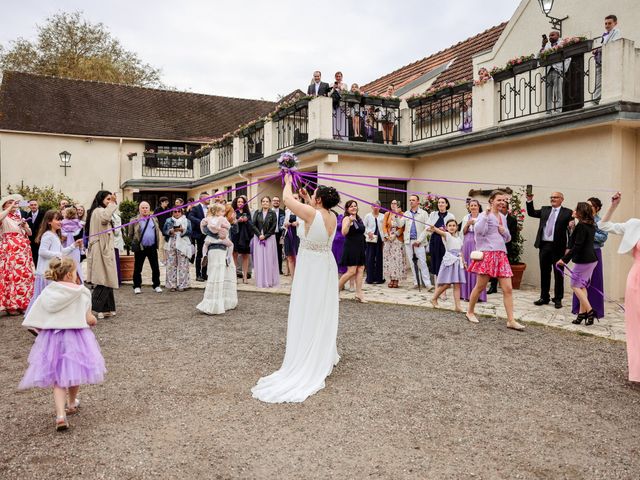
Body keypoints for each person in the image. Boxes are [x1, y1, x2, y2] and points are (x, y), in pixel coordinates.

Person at [252, 176, 341, 403]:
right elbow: (310, 212)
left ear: (318, 199)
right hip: (325, 264)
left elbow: (285, 199)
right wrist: (306, 198)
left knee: (307, 306)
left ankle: (306, 353)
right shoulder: (332, 215)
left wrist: (288, 180)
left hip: (311, 265)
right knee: (320, 307)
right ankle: (320, 347)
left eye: (313, 196)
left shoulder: (311, 213)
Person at [19, 257, 106, 431]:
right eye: (75, 272)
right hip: (77, 338)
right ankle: (72, 403)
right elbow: (89, 318)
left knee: (58, 379)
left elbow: (35, 318)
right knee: (74, 370)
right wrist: (93, 320)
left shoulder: (48, 291)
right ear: (68, 275)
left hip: (53, 338)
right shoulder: (82, 292)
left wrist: (44, 331)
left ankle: (60, 415)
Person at [466, 190, 525, 331]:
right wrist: (486, 215)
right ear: (491, 201)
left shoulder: (503, 217)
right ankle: (470, 312)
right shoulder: (483, 215)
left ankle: (511, 320)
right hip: (488, 254)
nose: (502, 202)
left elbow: (509, 238)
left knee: (508, 289)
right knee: (480, 287)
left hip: (501, 255)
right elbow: (479, 231)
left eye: (504, 200)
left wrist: (503, 231)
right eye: (499, 200)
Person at [598, 192, 639, 382]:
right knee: (636, 325)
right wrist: (613, 206)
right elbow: (603, 226)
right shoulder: (634, 225)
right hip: (637, 280)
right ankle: (637, 372)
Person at [28, 210, 82, 315]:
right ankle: (36, 319)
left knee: (49, 299)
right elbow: (42, 252)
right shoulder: (47, 235)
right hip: (45, 273)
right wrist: (58, 255)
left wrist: (73, 245)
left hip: (51, 272)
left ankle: (44, 320)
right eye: (57, 219)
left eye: (61, 219)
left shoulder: (55, 235)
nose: (60, 222)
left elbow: (61, 251)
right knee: (43, 299)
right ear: (49, 222)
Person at [526, 190, 573, 308]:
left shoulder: (568, 212)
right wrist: (529, 200)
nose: (553, 199)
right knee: (544, 272)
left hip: (559, 247)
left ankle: (558, 299)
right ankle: (544, 297)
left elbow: (571, 232)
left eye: (556, 197)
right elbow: (531, 213)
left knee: (558, 273)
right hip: (544, 246)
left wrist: (569, 247)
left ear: (562, 199)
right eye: (551, 197)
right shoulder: (545, 210)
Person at [557, 202, 599, 325]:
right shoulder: (590, 225)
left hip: (584, 260)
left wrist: (564, 259)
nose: (573, 211)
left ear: (580, 212)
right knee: (581, 286)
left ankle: (590, 311)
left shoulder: (581, 226)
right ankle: (582, 314)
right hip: (592, 259)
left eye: (576, 209)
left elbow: (578, 246)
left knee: (575, 285)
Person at [197, 204, 238, 315]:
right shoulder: (222, 220)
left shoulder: (207, 220)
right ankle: (217, 303)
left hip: (211, 247)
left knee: (215, 272)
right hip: (220, 248)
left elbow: (204, 230)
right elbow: (227, 229)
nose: (223, 213)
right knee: (219, 272)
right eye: (222, 211)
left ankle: (204, 255)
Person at [571, 197, 607, 319]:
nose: (586, 207)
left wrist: (588, 233)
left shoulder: (600, 221)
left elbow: (603, 238)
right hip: (582, 253)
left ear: (596, 209)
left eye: (590, 205)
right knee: (580, 283)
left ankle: (594, 309)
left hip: (594, 252)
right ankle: (580, 310)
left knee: (595, 281)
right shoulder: (581, 221)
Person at [85, 190, 118, 319]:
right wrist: (113, 203)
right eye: (108, 199)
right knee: (103, 279)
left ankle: (108, 308)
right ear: (101, 199)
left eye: (111, 199)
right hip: (100, 249)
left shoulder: (99, 211)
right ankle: (92, 308)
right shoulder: (98, 211)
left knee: (107, 278)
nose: (110, 202)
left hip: (103, 248)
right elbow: (105, 218)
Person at [0, 194, 34, 316]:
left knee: (24, 276)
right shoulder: (4, 216)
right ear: (4, 205)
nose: (13, 204)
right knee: (11, 275)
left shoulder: (19, 216)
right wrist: (8, 208)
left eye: (14, 202)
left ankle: (23, 303)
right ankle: (11, 305)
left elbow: (29, 233)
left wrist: (25, 226)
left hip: (23, 249)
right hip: (10, 248)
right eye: (9, 202)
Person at [430, 220, 466, 312]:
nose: (452, 227)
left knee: (457, 285)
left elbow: (461, 251)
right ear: (446, 227)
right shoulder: (447, 235)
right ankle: (434, 298)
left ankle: (458, 306)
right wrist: (434, 228)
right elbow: (439, 231)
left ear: (457, 227)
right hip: (449, 261)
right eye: (449, 225)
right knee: (447, 284)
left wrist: (464, 261)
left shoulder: (459, 238)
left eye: (454, 225)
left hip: (457, 263)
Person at [398, 194, 432, 289]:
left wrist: (419, 240)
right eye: (410, 200)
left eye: (413, 200)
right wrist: (396, 216)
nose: (411, 202)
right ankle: (417, 282)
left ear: (417, 202)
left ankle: (428, 283)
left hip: (419, 242)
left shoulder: (424, 213)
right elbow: (400, 224)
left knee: (422, 262)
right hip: (409, 241)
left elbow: (427, 228)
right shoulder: (406, 213)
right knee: (413, 263)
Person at [128, 201, 162, 294]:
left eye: (146, 207)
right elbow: (130, 234)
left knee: (155, 267)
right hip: (140, 247)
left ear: (149, 209)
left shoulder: (154, 219)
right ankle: (137, 286)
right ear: (139, 209)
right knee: (138, 268)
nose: (145, 209)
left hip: (152, 247)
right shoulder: (134, 220)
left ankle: (156, 285)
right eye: (143, 207)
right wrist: (134, 244)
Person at [488, 199, 518, 295]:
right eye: (500, 207)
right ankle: (493, 286)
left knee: (502, 268)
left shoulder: (512, 220)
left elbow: (513, 235)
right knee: (493, 266)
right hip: (493, 247)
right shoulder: (492, 217)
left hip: (506, 246)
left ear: (507, 209)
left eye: (503, 207)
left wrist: (504, 233)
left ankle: (504, 286)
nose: (501, 209)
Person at [339, 200, 367, 302]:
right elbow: (344, 232)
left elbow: (361, 231)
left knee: (360, 269)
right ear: (347, 209)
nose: (354, 208)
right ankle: (335, 290)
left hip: (360, 246)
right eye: (351, 206)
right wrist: (349, 222)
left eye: (355, 206)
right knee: (351, 271)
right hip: (351, 247)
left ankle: (359, 294)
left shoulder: (359, 219)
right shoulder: (346, 218)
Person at [460, 199, 486, 302]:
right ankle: (466, 294)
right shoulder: (466, 217)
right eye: (471, 205)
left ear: (479, 207)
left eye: (475, 205)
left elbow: (484, 231)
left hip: (478, 244)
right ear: (469, 207)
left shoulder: (482, 217)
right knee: (468, 266)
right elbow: (463, 232)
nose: (473, 207)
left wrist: (476, 225)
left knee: (478, 268)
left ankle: (478, 295)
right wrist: (467, 224)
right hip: (467, 243)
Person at [251, 196, 279, 288]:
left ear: (269, 203)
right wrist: (259, 235)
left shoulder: (273, 213)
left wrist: (265, 236)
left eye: (267, 201)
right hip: (258, 238)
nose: (265, 203)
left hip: (269, 238)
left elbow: (273, 227)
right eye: (263, 201)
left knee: (269, 259)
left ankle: (269, 280)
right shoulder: (257, 212)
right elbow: (253, 225)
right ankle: (261, 281)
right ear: (261, 202)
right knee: (259, 259)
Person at [162, 208, 192, 292]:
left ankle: (183, 285)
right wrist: (170, 231)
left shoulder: (187, 221)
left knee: (183, 265)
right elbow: (164, 231)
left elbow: (190, 232)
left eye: (179, 211)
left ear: (182, 212)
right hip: (171, 243)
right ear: (172, 212)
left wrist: (183, 230)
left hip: (183, 244)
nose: (177, 213)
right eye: (175, 211)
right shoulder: (168, 220)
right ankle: (172, 285)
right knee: (171, 265)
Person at [540, 31, 570, 113]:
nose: (550, 37)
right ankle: (548, 111)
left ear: (558, 35)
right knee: (548, 93)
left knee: (558, 91)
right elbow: (539, 56)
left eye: (552, 35)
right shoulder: (547, 45)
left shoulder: (562, 42)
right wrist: (543, 45)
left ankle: (558, 110)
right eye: (549, 36)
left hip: (558, 70)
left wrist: (563, 70)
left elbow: (568, 57)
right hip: (548, 71)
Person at [428, 197, 455, 286]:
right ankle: (437, 286)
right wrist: (433, 229)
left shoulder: (450, 216)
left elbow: (453, 230)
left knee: (444, 263)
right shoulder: (433, 214)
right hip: (434, 241)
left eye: (443, 202)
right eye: (439, 202)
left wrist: (444, 230)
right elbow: (427, 228)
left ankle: (444, 286)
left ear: (446, 204)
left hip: (445, 243)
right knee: (435, 264)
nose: (440, 204)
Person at [595, 15, 622, 102]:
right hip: (599, 60)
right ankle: (596, 99)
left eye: (609, 23)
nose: (607, 25)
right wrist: (596, 50)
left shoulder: (616, 32)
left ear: (615, 23)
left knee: (607, 80)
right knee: (598, 81)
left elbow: (612, 43)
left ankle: (601, 99)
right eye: (606, 23)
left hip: (608, 60)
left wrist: (599, 49)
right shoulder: (604, 34)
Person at [382, 199, 406, 288]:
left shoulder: (402, 214)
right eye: (392, 203)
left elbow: (402, 227)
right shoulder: (387, 214)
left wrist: (395, 235)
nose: (393, 205)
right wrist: (386, 235)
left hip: (397, 239)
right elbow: (384, 226)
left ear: (399, 205)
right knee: (389, 260)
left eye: (395, 203)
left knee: (397, 260)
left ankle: (396, 280)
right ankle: (391, 279)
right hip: (389, 239)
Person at [188, 192, 210, 282]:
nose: (210, 199)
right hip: (199, 234)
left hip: (209, 234)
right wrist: (201, 222)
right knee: (200, 254)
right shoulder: (195, 208)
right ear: (202, 199)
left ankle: (204, 274)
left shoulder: (210, 208)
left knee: (207, 254)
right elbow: (190, 217)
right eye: (208, 198)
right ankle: (198, 274)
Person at [231, 196, 252, 283]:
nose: (240, 203)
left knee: (245, 256)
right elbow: (231, 223)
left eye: (242, 202)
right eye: (238, 202)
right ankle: (234, 277)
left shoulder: (247, 212)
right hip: (236, 235)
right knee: (235, 255)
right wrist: (238, 220)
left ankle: (245, 277)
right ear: (236, 203)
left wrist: (247, 220)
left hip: (245, 236)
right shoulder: (233, 212)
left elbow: (251, 224)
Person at [61, 207, 85, 283]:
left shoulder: (61, 225)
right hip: (75, 250)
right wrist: (82, 250)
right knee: (76, 267)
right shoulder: (79, 225)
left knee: (65, 267)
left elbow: (61, 239)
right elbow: (81, 240)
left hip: (64, 249)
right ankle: (78, 283)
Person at [363, 200, 385, 284]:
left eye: (377, 206)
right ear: (371, 207)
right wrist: (368, 233)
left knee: (379, 259)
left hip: (380, 240)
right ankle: (370, 278)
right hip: (370, 239)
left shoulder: (382, 216)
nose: (375, 207)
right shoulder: (368, 216)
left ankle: (379, 278)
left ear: (380, 207)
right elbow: (364, 227)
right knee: (370, 258)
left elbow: (384, 227)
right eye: (374, 206)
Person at [283, 192, 302, 279]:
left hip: (298, 235)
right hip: (288, 235)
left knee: (298, 258)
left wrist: (298, 223)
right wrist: (286, 224)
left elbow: (306, 222)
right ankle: (293, 278)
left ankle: (299, 278)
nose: (294, 200)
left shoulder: (302, 210)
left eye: (296, 198)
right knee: (290, 257)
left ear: (300, 199)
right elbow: (283, 224)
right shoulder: (287, 211)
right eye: (292, 198)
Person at [22, 199, 44, 267]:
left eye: (35, 205)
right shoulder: (27, 215)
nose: (33, 206)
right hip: (31, 240)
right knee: (32, 256)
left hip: (40, 239)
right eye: (31, 205)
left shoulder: (43, 214)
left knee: (40, 256)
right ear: (29, 206)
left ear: (38, 205)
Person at [330, 71, 348, 140]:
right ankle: (335, 135)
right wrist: (333, 89)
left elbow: (346, 94)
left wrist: (340, 88)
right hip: (334, 104)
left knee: (342, 119)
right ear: (335, 77)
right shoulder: (331, 84)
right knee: (334, 119)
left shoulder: (345, 85)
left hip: (342, 105)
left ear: (341, 77)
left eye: (339, 76)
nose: (338, 78)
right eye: (337, 76)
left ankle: (342, 136)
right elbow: (329, 94)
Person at [272, 195, 286, 275]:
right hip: (270, 235)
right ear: (272, 202)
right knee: (271, 252)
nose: (276, 202)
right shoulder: (269, 211)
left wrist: (283, 235)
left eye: (277, 200)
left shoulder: (282, 212)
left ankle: (279, 269)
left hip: (279, 235)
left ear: (279, 202)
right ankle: (271, 269)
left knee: (279, 252)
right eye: (274, 200)